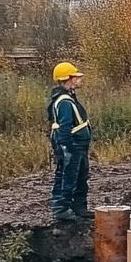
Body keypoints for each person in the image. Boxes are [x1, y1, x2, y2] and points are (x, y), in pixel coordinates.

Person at [47, 62, 91, 222]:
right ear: (68, 79)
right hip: (72, 146)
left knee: (80, 177)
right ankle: (62, 209)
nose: (79, 80)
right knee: (68, 177)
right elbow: (64, 127)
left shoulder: (68, 97)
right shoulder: (64, 101)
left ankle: (79, 208)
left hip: (78, 146)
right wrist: (67, 148)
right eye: (75, 77)